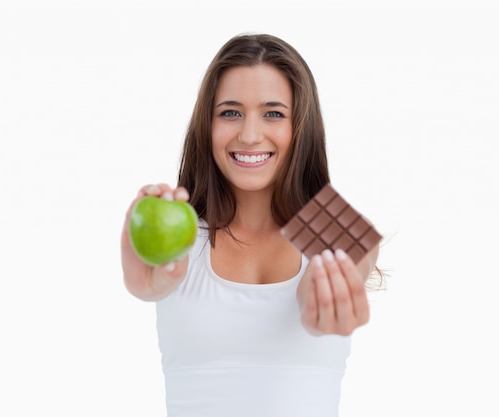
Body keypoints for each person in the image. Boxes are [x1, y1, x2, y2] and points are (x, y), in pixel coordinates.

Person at [120, 33, 381, 417]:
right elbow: (152, 285)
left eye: (273, 113)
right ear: (205, 125)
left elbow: (317, 294)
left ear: (301, 127)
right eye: (230, 112)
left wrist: (322, 311)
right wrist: (150, 282)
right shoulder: (182, 230)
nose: (250, 135)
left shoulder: (335, 229)